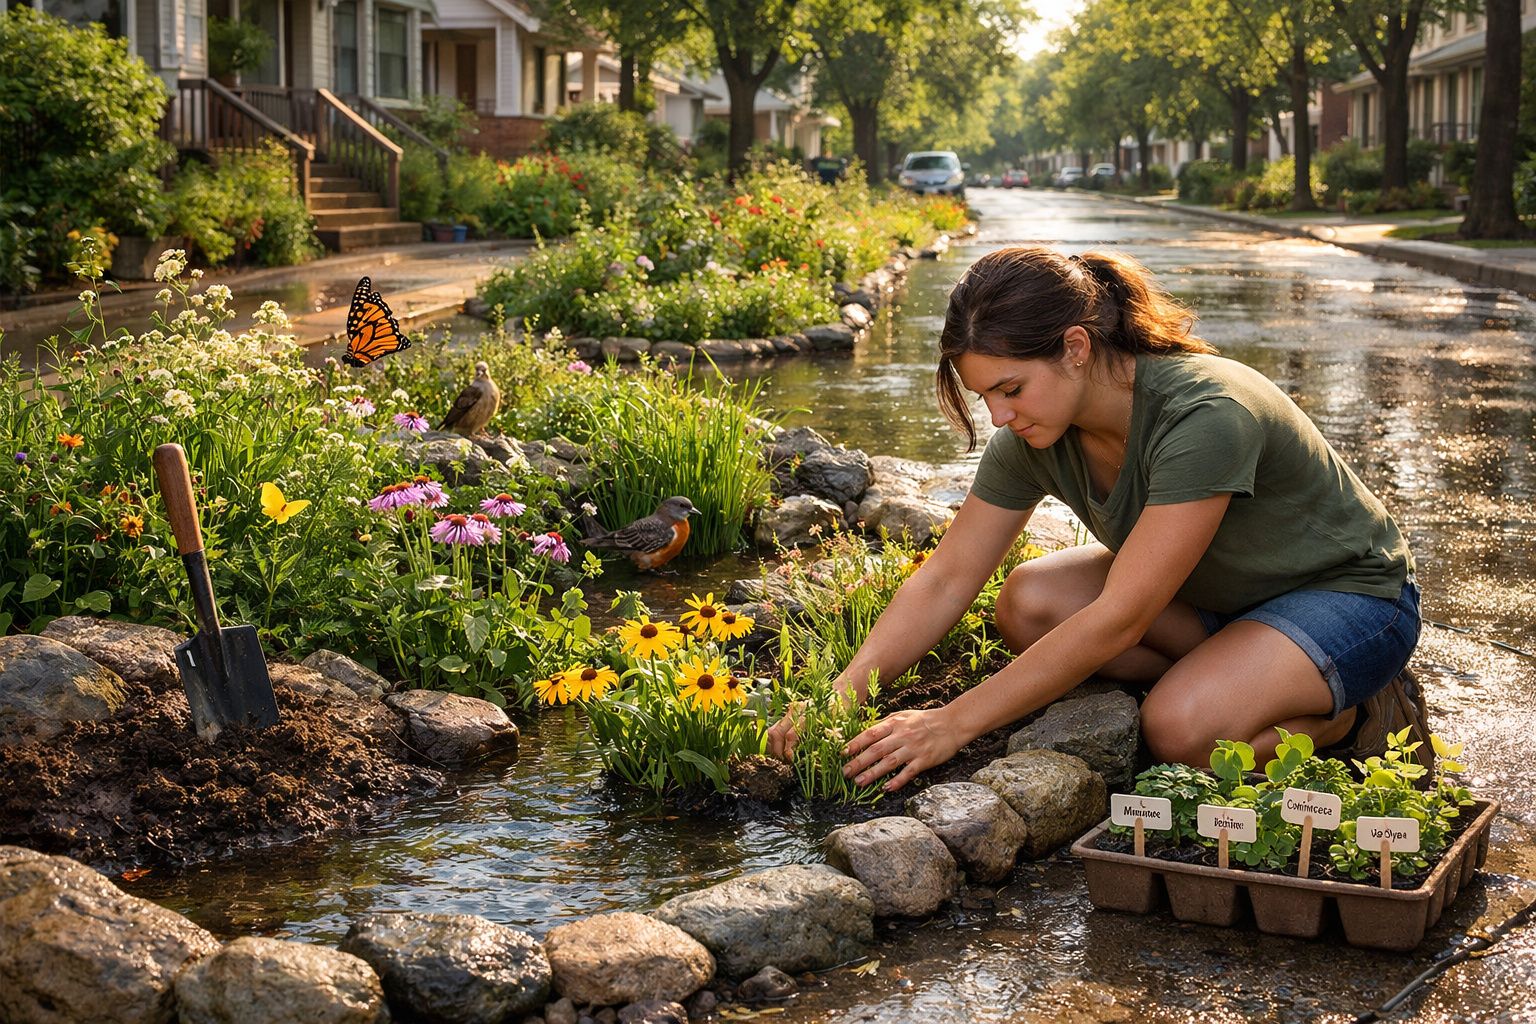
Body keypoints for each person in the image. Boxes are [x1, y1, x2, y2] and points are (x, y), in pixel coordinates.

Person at [766, 246, 1427, 793]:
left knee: (1181, 732)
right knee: (1028, 604)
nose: (999, 416)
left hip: (1349, 599)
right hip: (1218, 602)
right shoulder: (1033, 437)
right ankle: (1239, 678)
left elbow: (1121, 618)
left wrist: (952, 723)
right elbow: (947, 578)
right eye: (984, 396)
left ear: (1076, 347)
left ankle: (1353, 715)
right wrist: (841, 695)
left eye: (1010, 388)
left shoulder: (1205, 413)